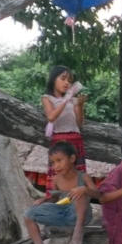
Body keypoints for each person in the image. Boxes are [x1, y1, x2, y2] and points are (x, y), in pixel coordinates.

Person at [23, 142, 100, 244]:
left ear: (72, 159)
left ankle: (78, 231)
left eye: (59, 160)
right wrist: (45, 200)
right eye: (53, 163)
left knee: (78, 194)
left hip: (79, 216)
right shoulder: (57, 179)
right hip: (62, 214)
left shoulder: (83, 177)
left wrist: (85, 189)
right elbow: (55, 198)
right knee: (28, 215)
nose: (56, 165)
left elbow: (98, 195)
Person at [41, 66, 87, 197]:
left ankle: (77, 202)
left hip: (75, 139)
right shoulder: (47, 98)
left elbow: (79, 123)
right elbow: (51, 117)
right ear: (53, 80)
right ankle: (55, 202)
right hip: (59, 140)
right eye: (63, 78)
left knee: (76, 173)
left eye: (69, 80)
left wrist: (79, 106)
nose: (67, 82)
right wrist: (65, 100)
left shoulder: (73, 100)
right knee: (58, 171)